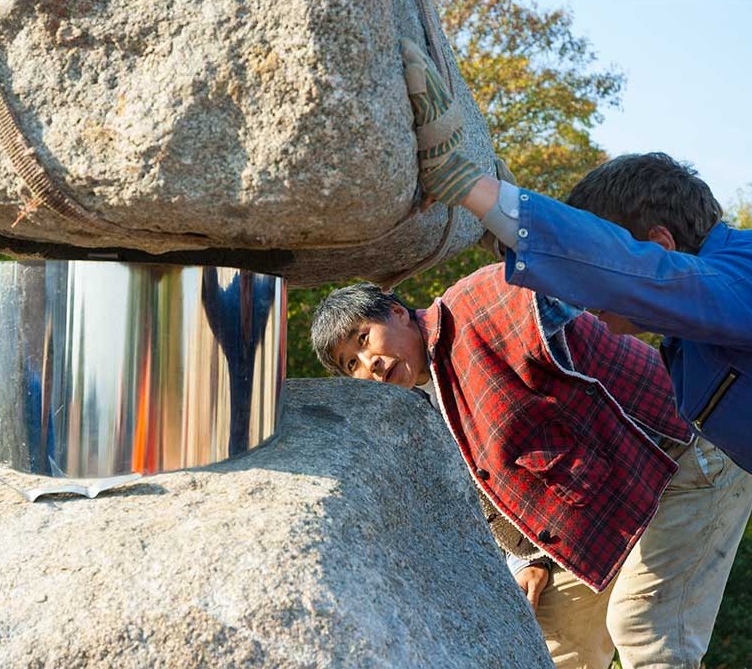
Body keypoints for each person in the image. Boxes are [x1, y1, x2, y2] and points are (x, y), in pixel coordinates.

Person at [310, 267, 752, 668]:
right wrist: (528, 557)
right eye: (352, 363)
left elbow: (569, 276)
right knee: (554, 644)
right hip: (616, 499)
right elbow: (493, 484)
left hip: (684, 453)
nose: (371, 364)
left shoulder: (476, 304)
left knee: (643, 629)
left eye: (364, 339)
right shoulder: (428, 402)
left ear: (396, 312)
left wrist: (510, 223)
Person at [398, 39, 752, 471]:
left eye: (596, 278)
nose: (586, 301)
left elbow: (639, 274)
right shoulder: (696, 322)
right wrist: (503, 233)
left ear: (660, 247)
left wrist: (466, 184)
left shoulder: (740, 280)